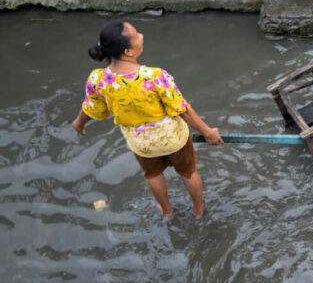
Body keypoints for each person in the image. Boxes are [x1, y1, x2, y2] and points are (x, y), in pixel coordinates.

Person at [71, 20, 223, 218]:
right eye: (137, 35)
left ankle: (166, 211)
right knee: (189, 173)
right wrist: (208, 132)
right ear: (128, 52)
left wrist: (78, 123)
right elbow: (183, 110)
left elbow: (90, 108)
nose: (142, 36)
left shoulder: (98, 79)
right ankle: (198, 210)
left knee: (152, 175)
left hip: (142, 144)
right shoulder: (155, 76)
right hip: (173, 139)